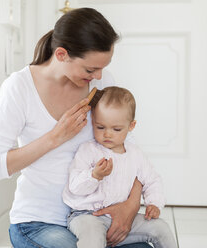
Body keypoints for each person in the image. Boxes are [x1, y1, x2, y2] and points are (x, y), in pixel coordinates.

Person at [0, 7, 152, 248]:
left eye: (103, 67)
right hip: (39, 222)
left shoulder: (101, 83)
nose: (99, 76)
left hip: (93, 219)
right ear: (61, 54)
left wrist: (130, 206)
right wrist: (54, 137)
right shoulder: (19, 88)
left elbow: (130, 152)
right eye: (90, 69)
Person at [63, 86, 177, 248]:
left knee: (160, 227)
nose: (107, 134)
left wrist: (154, 203)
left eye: (116, 129)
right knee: (93, 238)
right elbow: (75, 187)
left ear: (131, 126)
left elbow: (152, 180)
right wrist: (94, 175)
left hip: (120, 217)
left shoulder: (135, 154)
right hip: (87, 216)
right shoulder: (88, 150)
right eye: (100, 127)